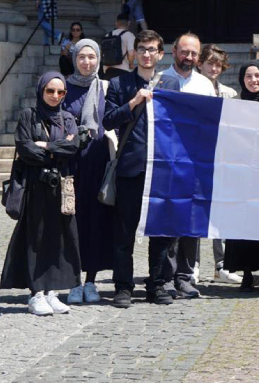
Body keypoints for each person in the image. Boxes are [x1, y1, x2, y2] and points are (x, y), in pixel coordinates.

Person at [102, 30, 179, 308]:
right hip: (130, 168)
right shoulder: (119, 84)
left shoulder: (170, 84)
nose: (147, 54)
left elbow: (179, 127)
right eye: (142, 49)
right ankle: (123, 287)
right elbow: (108, 121)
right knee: (124, 233)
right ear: (134, 53)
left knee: (160, 233)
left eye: (152, 50)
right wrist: (133, 102)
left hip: (160, 170)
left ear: (160, 54)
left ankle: (156, 285)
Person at [0, 72, 82, 316]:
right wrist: (57, 149)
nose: (55, 96)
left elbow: (74, 147)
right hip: (36, 185)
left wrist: (45, 145)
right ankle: (36, 293)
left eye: (60, 92)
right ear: (41, 90)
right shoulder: (29, 115)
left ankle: (53, 292)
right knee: (36, 237)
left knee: (60, 237)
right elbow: (25, 149)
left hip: (61, 185)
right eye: (50, 91)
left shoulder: (67, 118)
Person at [162, 33, 221, 294]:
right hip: (165, 161)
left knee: (191, 221)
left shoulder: (205, 85)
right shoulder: (160, 79)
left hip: (194, 162)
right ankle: (165, 275)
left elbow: (211, 122)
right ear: (174, 51)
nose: (189, 57)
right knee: (166, 220)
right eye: (184, 52)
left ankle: (185, 276)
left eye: (194, 53)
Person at [62, 40, 116, 304]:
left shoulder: (105, 87)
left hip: (97, 161)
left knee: (95, 221)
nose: (86, 62)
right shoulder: (62, 87)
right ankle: (72, 280)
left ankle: (91, 280)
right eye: (82, 57)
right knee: (71, 222)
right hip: (71, 164)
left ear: (99, 59)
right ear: (74, 59)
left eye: (91, 57)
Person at [222, 60, 259, 292]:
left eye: (257, 75)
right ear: (242, 80)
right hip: (243, 174)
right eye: (248, 76)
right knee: (243, 226)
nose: (254, 80)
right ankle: (246, 273)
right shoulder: (234, 105)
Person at [194, 43, 243, 285]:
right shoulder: (190, 89)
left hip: (222, 158)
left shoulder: (229, 93)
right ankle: (192, 264)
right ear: (200, 63)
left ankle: (221, 265)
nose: (214, 68)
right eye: (209, 62)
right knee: (193, 209)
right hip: (195, 157)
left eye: (217, 64)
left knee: (222, 212)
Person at [101, 14, 135, 81]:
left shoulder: (107, 35)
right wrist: (131, 64)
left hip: (108, 72)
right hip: (123, 71)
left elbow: (102, 53)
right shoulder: (129, 35)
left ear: (116, 23)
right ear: (128, 23)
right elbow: (131, 52)